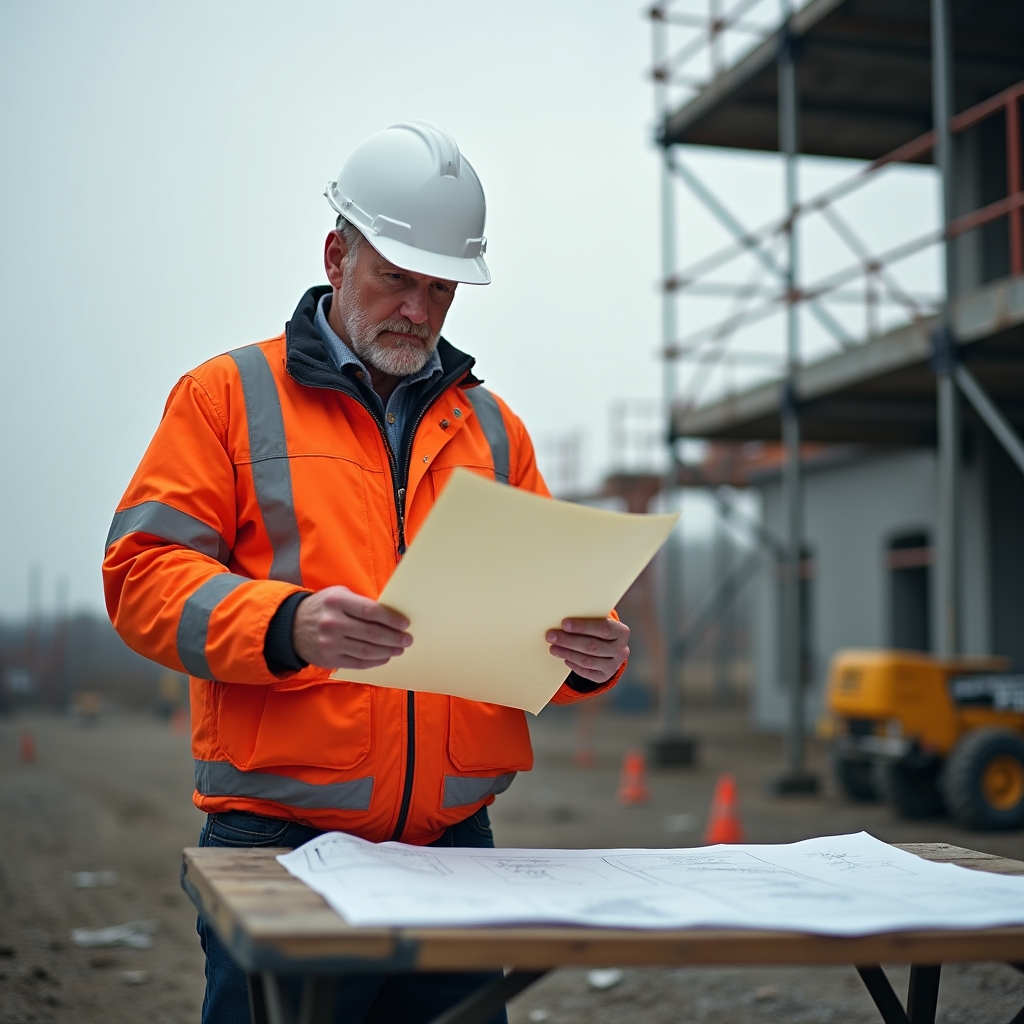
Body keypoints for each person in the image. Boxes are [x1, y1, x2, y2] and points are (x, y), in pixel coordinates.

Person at [103, 120, 630, 1024]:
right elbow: (141, 578)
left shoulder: (495, 430)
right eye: (397, 278)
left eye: (440, 288)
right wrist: (285, 623)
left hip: (457, 852)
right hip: (279, 849)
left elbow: (546, 629)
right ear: (337, 254)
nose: (418, 310)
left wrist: (587, 659)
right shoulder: (226, 398)